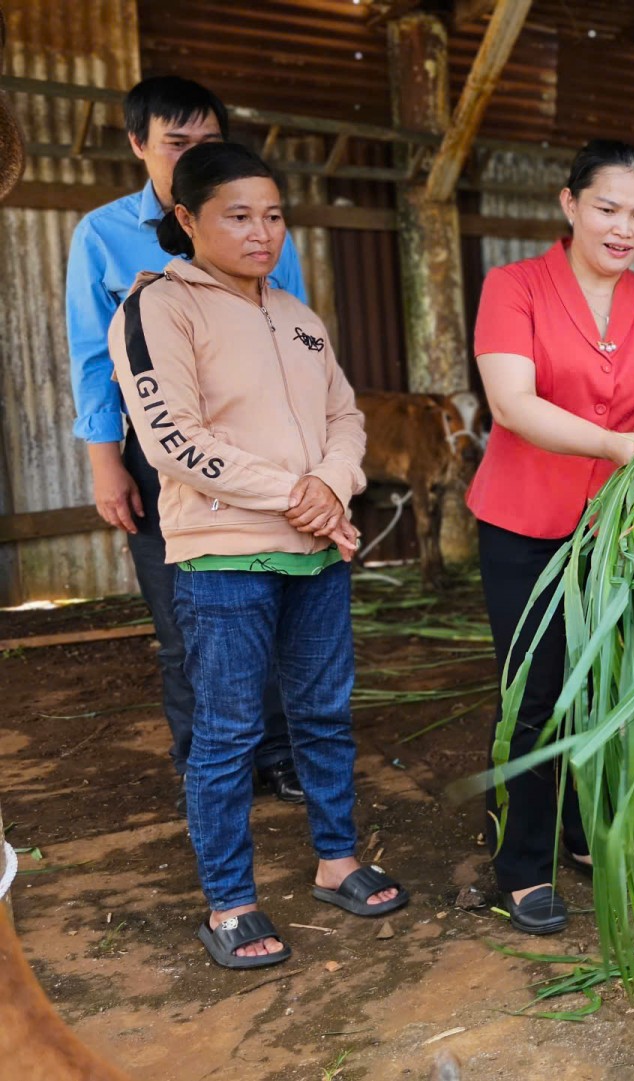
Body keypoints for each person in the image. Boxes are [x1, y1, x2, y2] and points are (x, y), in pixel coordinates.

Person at [106, 142, 404, 970]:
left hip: (314, 552)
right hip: (223, 557)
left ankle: (337, 859)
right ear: (187, 219)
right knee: (229, 731)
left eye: (273, 216)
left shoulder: (300, 318)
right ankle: (230, 901)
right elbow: (170, 439)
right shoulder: (159, 308)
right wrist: (295, 493)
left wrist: (330, 484)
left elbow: (346, 419)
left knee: (323, 713)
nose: (261, 232)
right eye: (238, 216)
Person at [470, 140, 634, 935]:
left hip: (619, 527)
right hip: (526, 524)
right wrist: (619, 445)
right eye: (607, 209)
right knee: (535, 692)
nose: (623, 228)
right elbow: (512, 403)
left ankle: (583, 829)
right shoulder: (514, 288)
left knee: (607, 685)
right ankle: (519, 861)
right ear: (569, 204)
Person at [67, 75, 308, 812]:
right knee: (184, 617)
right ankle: (203, 758)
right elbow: (90, 358)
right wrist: (106, 461)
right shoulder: (103, 235)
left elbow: (297, 333)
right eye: (178, 144)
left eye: (209, 142)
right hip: (162, 453)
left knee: (270, 596)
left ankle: (277, 751)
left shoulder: (264, 233)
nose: (196, 155)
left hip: (261, 448)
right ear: (139, 145)